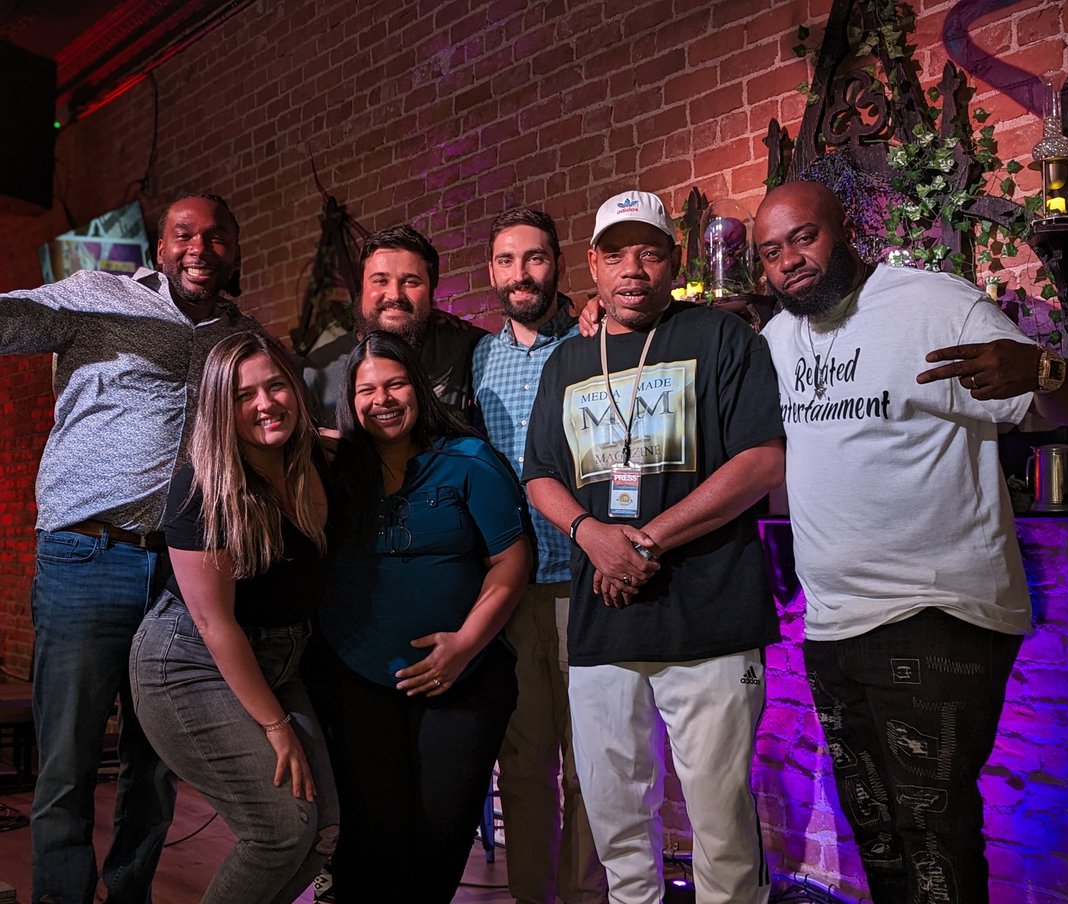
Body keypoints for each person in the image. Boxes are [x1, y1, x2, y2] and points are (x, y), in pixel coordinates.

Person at [0, 144, 263, 903]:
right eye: (184, 234)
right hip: (85, 555)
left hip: (185, 572)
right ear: (161, 247)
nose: (200, 247)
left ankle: (130, 893)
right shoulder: (97, 294)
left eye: (216, 235)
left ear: (236, 251)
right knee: (67, 761)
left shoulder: (240, 343)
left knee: (157, 761)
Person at [753, 179, 1068, 902]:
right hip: (832, 622)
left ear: (844, 230)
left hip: (936, 611)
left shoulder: (934, 304)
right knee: (876, 833)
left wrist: (1042, 367)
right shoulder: (777, 339)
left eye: (803, 238)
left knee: (933, 836)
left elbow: (1066, 400)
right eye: (771, 252)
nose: (790, 262)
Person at [524, 191, 783, 904]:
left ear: (676, 258)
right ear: (593, 265)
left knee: (723, 833)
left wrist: (639, 541)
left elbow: (763, 461)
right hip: (604, 628)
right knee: (619, 835)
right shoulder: (568, 361)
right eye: (615, 254)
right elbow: (540, 474)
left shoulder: (725, 338)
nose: (631, 269)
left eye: (649, 251)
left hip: (711, 622)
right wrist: (589, 534)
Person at [310, 330, 529, 903]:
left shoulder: (469, 460)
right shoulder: (334, 473)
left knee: (438, 840)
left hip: (462, 680)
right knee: (372, 837)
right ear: (349, 401)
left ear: (419, 388)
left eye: (395, 383)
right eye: (366, 390)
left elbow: (511, 561)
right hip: (357, 680)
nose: (382, 399)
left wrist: (464, 645)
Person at [129, 331, 338, 902]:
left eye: (275, 386)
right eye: (244, 395)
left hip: (279, 657)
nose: (265, 403)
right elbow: (215, 626)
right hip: (189, 665)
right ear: (221, 407)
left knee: (326, 830)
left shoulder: (318, 458)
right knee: (279, 829)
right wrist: (277, 728)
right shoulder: (203, 489)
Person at [471, 207, 607, 904]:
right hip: (514, 589)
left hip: (586, 581)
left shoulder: (594, 341)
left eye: (533, 258)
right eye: (505, 261)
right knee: (521, 764)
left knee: (591, 767)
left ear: (557, 264)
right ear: (491, 272)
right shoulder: (479, 359)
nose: (520, 274)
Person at [303, 224, 487, 427]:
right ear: (361, 288)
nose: (395, 295)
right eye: (380, 281)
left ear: (431, 291)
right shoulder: (318, 373)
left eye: (410, 282)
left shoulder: (467, 347)